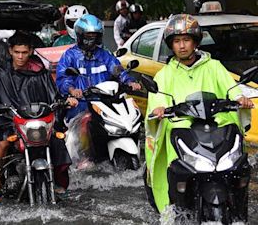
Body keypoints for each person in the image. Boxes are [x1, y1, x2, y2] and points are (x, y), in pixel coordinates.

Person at [144, 14, 254, 213]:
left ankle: (238, 208)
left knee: (240, 166)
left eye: (186, 40)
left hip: (217, 128)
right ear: (171, 45)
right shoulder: (165, 74)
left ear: (195, 42)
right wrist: (159, 109)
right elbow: (158, 97)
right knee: (175, 169)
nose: (182, 46)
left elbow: (231, 88)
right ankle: (174, 209)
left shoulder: (214, 67)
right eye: (177, 41)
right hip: (183, 131)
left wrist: (240, 98)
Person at [0, 32, 78, 201]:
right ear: (10, 51)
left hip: (37, 121)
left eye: (24, 52)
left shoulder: (40, 73)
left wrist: (66, 101)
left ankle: (57, 181)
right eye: (17, 52)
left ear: (31, 51)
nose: (20, 56)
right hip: (11, 122)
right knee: (2, 144)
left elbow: (54, 96)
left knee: (57, 139)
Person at [56, 14, 141, 163]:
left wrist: (129, 81)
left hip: (105, 103)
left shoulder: (105, 55)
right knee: (86, 122)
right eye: (88, 35)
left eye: (94, 36)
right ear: (80, 36)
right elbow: (63, 79)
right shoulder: (69, 56)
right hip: (81, 104)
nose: (91, 39)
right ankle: (83, 160)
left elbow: (117, 70)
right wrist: (71, 90)